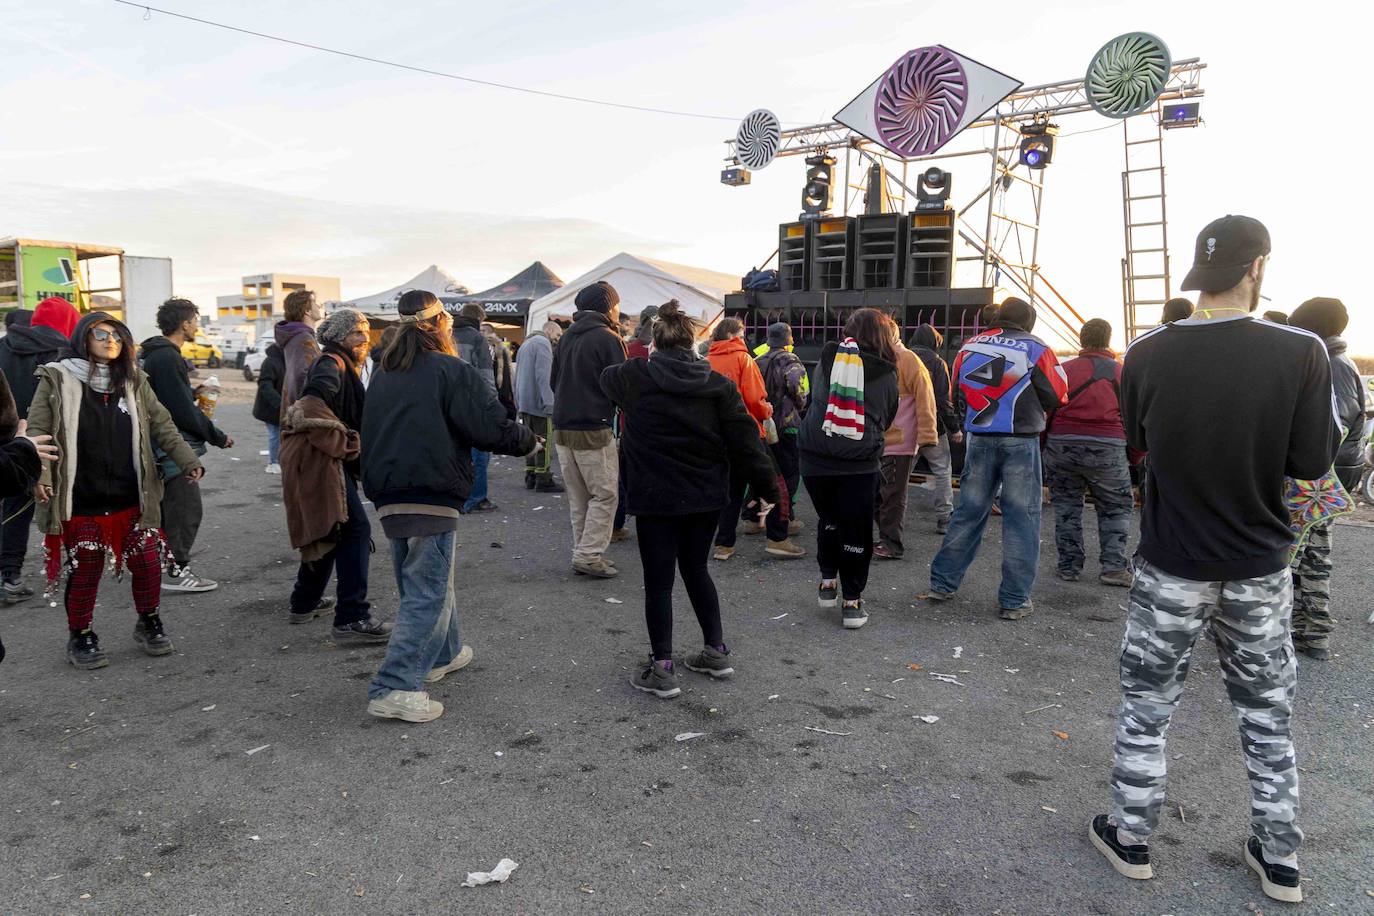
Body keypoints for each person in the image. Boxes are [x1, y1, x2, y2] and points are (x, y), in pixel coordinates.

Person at [1089, 216, 1339, 905]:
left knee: (1146, 703)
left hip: (1171, 564)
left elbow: (1139, 444)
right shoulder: (1302, 352)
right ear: (1257, 266)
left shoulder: (1146, 353)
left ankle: (1131, 838)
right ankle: (1280, 857)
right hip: (1260, 564)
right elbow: (1313, 463)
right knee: (1265, 711)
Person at [362, 291, 535, 722]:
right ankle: (395, 685)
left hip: (390, 490)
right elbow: (488, 426)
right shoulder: (449, 369)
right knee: (428, 592)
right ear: (440, 322)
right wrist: (529, 440)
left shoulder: (385, 372)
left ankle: (445, 653)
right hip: (430, 490)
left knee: (427, 583)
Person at [601, 300, 778, 697]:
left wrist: (643, 346)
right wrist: (768, 491)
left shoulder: (635, 376)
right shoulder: (717, 384)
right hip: (705, 495)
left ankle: (662, 667)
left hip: (655, 498)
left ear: (653, 343)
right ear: (695, 343)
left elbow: (605, 379)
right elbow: (747, 443)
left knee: (659, 583)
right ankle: (715, 651)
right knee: (697, 570)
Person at [28, 312, 205, 669]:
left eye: (118, 336)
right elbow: (38, 430)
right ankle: (81, 636)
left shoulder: (135, 379)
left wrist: (188, 460)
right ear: (83, 338)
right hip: (81, 496)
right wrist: (42, 476)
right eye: (101, 334)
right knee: (87, 567)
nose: (111, 341)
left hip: (132, 493)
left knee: (147, 563)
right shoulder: (57, 377)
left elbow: (161, 423)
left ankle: (149, 622)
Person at [927, 297, 1067, 619]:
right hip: (1021, 440)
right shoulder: (1036, 347)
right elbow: (1058, 394)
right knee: (1021, 519)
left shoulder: (969, 346)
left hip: (979, 439)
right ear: (1028, 322)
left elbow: (953, 394)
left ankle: (942, 584)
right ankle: (1014, 601)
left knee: (968, 512)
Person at [281, 308, 392, 644]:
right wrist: (346, 441)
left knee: (330, 526)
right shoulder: (332, 363)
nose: (364, 338)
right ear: (341, 336)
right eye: (357, 332)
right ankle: (351, 617)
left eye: (366, 331)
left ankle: (304, 602)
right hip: (320, 458)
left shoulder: (341, 362)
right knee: (354, 529)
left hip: (319, 458)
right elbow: (311, 403)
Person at [799, 308, 899, 629]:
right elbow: (887, 415)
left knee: (829, 520)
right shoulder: (885, 373)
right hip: (858, 461)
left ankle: (828, 582)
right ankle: (852, 602)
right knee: (855, 530)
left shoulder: (828, 359)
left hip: (814, 456)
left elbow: (815, 401)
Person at [1285, 296, 1364, 660]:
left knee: (1298, 556)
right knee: (1311, 556)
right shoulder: (1335, 361)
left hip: (1318, 481)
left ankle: (1302, 632)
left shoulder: (1332, 366)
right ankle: (1310, 632)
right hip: (1324, 478)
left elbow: (1338, 423)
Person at [139, 298, 233, 593]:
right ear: (185, 323)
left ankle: (160, 565)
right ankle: (176, 572)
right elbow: (179, 410)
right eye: (195, 320)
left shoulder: (154, 353)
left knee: (168, 511)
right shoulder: (167, 356)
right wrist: (217, 436)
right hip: (171, 448)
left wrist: (194, 390)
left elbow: (167, 397)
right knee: (185, 512)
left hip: (160, 444)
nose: (197, 326)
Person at [1043, 318, 1134, 587]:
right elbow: (1133, 418)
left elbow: (1047, 411)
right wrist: (1135, 455)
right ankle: (1114, 567)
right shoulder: (1121, 373)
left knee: (1067, 506)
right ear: (1108, 339)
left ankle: (1069, 566)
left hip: (1062, 446)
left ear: (1081, 340)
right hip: (1108, 447)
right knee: (1116, 506)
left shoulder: (1064, 369)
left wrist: (1043, 446)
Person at [0, 295, 79, 602]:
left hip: (8, 440)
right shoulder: (61, 353)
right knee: (61, 504)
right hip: (47, 443)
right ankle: (71, 566)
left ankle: (9, 576)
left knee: (14, 508)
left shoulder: (4, 345)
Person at [550, 281, 627, 578]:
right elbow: (621, 386)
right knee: (605, 494)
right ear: (608, 307)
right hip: (594, 427)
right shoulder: (608, 338)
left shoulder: (567, 336)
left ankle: (583, 551)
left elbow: (553, 382)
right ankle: (589, 554)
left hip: (563, 427)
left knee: (579, 496)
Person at [706, 317, 779, 560]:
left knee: (732, 488)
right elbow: (754, 399)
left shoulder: (707, 359)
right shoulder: (743, 359)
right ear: (734, 336)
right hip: (746, 432)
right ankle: (778, 536)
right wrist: (767, 411)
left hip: (717, 434)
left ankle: (724, 544)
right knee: (774, 480)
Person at [0, 371, 59, 664]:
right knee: (17, 515)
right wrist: (23, 451)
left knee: (15, 515)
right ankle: (10, 576)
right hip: (18, 452)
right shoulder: (53, 363)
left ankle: (9, 576)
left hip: (18, 450)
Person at [873, 318, 938, 560]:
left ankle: (891, 543)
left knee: (892, 494)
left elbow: (926, 399)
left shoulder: (908, 359)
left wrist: (927, 436)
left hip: (898, 441)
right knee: (885, 493)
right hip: (885, 440)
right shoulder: (891, 358)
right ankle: (887, 538)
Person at [748, 321, 809, 554]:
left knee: (762, 472)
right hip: (785, 424)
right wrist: (800, 403)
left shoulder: (757, 360)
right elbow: (796, 385)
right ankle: (786, 517)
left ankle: (751, 518)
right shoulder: (789, 360)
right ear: (788, 339)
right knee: (789, 472)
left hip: (761, 424)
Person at [907, 325, 960, 534]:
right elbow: (942, 400)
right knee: (942, 471)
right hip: (932, 427)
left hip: (907, 426)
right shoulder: (938, 363)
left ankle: (890, 517)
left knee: (901, 473)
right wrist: (954, 428)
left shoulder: (904, 359)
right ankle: (945, 518)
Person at [452, 303, 497, 513]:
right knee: (480, 454)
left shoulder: (447, 334)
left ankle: (459, 496)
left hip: (449, 403)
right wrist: (492, 405)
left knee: (457, 452)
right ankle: (476, 498)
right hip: (474, 404)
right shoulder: (478, 338)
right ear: (479, 319)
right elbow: (486, 375)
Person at [515, 320, 564, 492]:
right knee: (544, 441)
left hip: (525, 403)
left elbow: (517, 375)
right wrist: (550, 404)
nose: (558, 339)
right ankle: (544, 478)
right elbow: (544, 376)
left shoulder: (526, 344)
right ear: (549, 330)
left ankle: (531, 475)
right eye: (557, 335)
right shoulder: (543, 344)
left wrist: (518, 402)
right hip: (539, 404)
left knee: (530, 441)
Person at [275, 288, 326, 409]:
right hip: (303, 413)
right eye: (315, 302)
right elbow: (302, 378)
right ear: (307, 310)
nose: (318, 306)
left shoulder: (297, 336)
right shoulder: (303, 338)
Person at [253, 341, 285, 474]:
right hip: (271, 407)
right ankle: (273, 462)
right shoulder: (270, 362)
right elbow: (265, 385)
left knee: (280, 434)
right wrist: (279, 403)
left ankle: (279, 460)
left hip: (282, 406)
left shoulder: (287, 360)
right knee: (275, 434)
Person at [483, 322, 517, 420]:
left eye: (483, 330)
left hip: (499, 389)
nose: (480, 332)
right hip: (502, 390)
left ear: (490, 332)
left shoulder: (490, 347)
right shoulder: (500, 347)